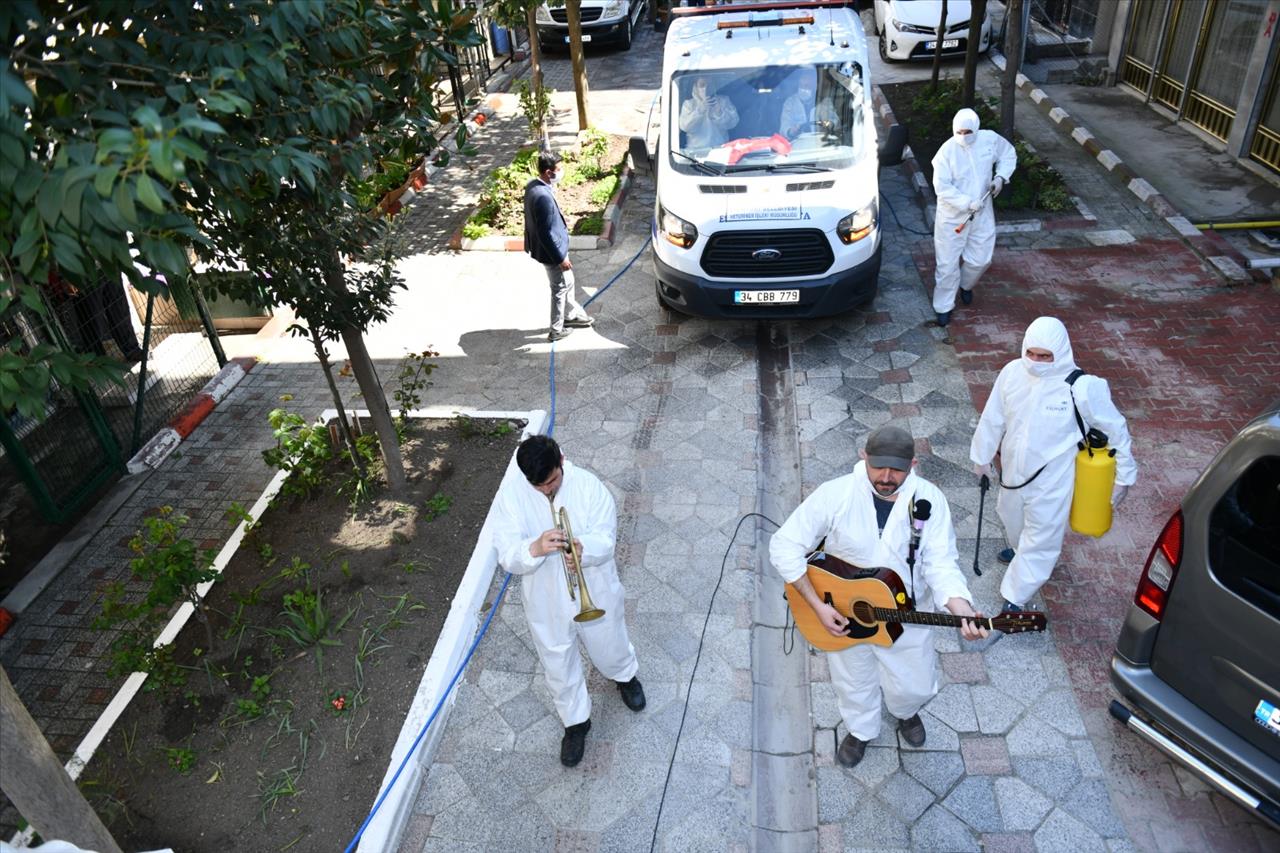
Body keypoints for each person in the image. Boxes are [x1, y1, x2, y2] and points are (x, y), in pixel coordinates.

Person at [770, 425, 989, 768]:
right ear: (863, 458)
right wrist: (818, 606)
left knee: (914, 685)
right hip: (841, 614)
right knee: (853, 682)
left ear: (913, 464)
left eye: (897, 469)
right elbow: (784, 545)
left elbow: (941, 563)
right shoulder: (836, 494)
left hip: (907, 617)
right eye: (879, 467)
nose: (887, 477)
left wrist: (960, 606)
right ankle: (861, 730)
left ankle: (906, 711)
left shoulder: (930, 501)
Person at [491, 434, 646, 767]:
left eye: (551, 482)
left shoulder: (589, 487)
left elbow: (606, 537)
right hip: (545, 596)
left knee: (609, 639)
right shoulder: (511, 497)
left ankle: (624, 675)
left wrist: (583, 547)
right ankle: (576, 721)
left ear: (561, 460)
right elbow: (506, 554)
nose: (547, 490)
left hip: (594, 587)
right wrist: (533, 548)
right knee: (556, 658)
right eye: (539, 487)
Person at [970, 316, 1137, 611]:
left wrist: (1124, 476)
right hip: (1013, 472)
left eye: (1044, 356)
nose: (1035, 361)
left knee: (1042, 537)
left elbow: (1116, 430)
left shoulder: (1082, 388)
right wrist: (981, 457)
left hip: (1054, 478)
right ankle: (1022, 553)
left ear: (1060, 352)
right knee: (1009, 515)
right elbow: (993, 416)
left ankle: (1015, 596)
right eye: (1030, 353)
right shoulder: (1012, 372)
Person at [930, 108, 1016, 328]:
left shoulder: (989, 140)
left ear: (977, 129)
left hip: (983, 211)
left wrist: (1000, 177)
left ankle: (966, 285)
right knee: (947, 264)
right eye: (959, 131)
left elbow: (1008, 154)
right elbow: (942, 187)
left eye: (968, 131)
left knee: (981, 258)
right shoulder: (945, 152)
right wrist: (966, 203)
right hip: (952, 216)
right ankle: (944, 307)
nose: (963, 135)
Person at [524, 151, 594, 343]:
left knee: (568, 281)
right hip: (552, 252)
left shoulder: (533, 186)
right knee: (560, 288)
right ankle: (556, 329)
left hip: (552, 247)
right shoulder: (543, 197)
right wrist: (560, 258)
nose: (561, 172)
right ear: (548, 172)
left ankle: (570, 316)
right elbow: (545, 233)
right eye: (559, 169)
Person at [678, 76, 739, 150]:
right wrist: (700, 110)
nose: (706, 88)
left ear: (714, 86)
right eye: (702, 85)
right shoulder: (689, 104)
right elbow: (686, 127)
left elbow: (733, 124)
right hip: (696, 152)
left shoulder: (724, 101)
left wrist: (719, 113)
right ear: (696, 88)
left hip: (721, 149)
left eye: (709, 85)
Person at [779, 73, 836, 140]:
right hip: (798, 144)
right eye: (801, 86)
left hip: (820, 142)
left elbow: (834, 122)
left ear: (814, 87)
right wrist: (791, 131)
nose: (804, 89)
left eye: (807, 86)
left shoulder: (825, 102)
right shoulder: (790, 102)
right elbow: (784, 126)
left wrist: (826, 124)